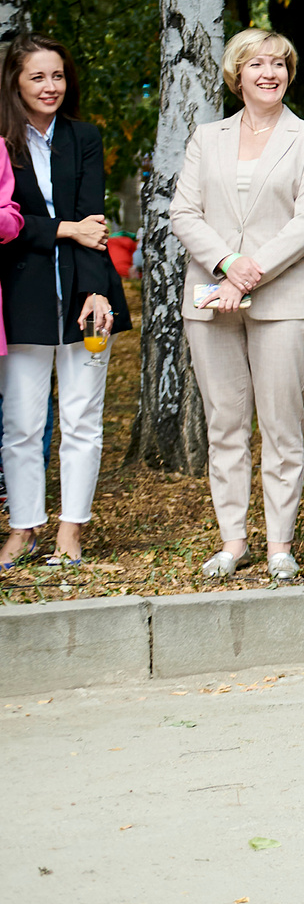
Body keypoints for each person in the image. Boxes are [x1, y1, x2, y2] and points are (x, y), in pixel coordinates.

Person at [169, 31, 304, 578]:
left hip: (284, 303)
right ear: (236, 74)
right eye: (257, 63)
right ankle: (234, 541)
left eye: (280, 64)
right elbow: (184, 213)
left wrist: (248, 273)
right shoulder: (205, 137)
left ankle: (280, 546)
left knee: (281, 428)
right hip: (211, 299)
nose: (270, 72)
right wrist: (226, 265)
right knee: (226, 425)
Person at [0, 35, 128, 569]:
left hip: (85, 293)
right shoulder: (2, 142)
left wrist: (97, 287)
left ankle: (71, 529)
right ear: (15, 83)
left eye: (57, 76)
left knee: (82, 418)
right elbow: (7, 224)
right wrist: (61, 229)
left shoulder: (85, 137)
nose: (50, 87)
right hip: (21, 296)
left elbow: (94, 222)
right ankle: (24, 527)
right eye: (37, 77)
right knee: (23, 423)